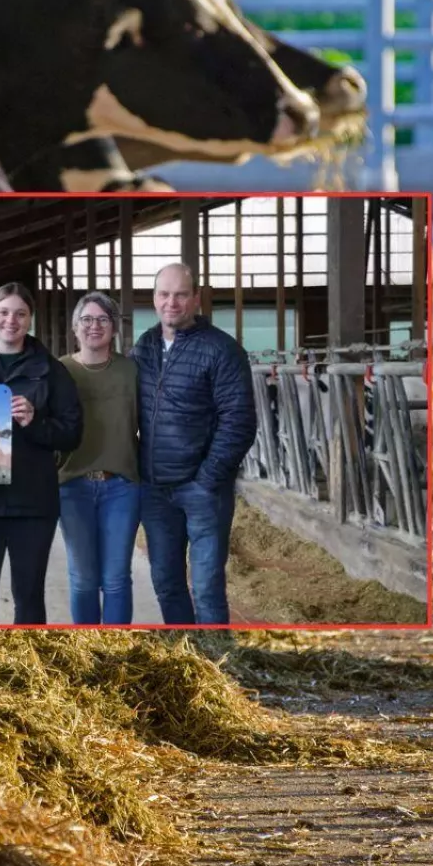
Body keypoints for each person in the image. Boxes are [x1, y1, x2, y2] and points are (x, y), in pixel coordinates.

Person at [129, 263, 257, 625]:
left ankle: (218, 666)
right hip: (155, 490)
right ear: (154, 299)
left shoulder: (222, 350)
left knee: (206, 587)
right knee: (166, 583)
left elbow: (240, 421)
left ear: (196, 298)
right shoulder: (146, 346)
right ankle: (187, 659)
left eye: (181, 294)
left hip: (202, 491)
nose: (172, 302)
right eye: (164, 294)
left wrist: (207, 479)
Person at [0, 282, 84, 625]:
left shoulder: (52, 371)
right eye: (4, 312)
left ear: (30, 320)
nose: (12, 320)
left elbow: (72, 434)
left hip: (33, 503)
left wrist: (35, 421)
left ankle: (28, 672)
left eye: (21, 314)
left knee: (29, 603)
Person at [55, 292, 140, 625]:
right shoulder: (59, 370)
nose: (95, 326)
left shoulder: (130, 370)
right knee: (84, 578)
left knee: (117, 579)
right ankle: (88, 650)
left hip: (121, 486)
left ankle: (118, 654)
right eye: (87, 320)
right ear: (75, 327)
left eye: (103, 319)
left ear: (114, 327)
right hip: (72, 486)